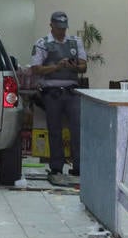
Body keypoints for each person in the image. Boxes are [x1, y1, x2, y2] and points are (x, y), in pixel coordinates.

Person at [30, 11, 87, 177]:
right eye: (58, 28)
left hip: (71, 91)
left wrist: (73, 67)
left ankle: (78, 167)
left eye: (63, 28)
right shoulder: (42, 43)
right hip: (51, 92)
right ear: (51, 26)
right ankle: (56, 166)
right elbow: (35, 69)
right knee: (54, 129)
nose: (61, 32)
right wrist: (56, 67)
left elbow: (83, 66)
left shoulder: (75, 42)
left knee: (77, 129)